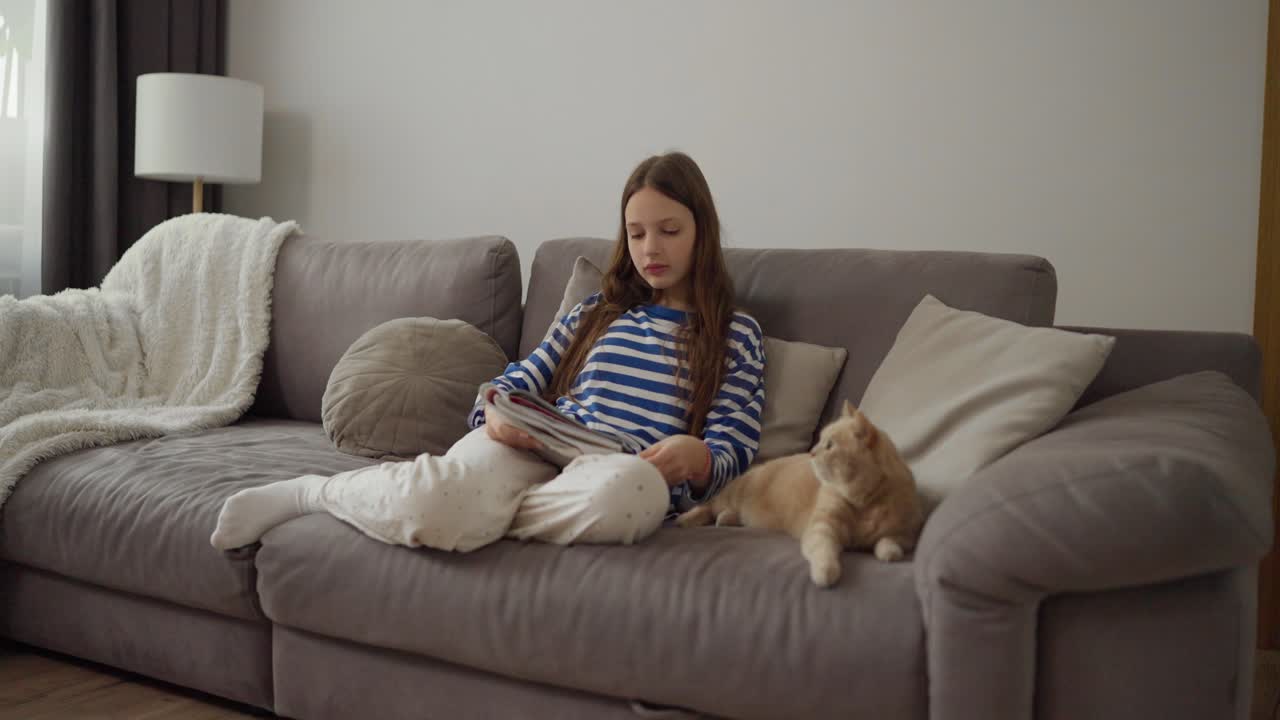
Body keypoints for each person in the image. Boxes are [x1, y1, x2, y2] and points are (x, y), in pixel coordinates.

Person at [210, 151, 766, 553]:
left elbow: (732, 444)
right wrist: (496, 414)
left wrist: (698, 457)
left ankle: (477, 515)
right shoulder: (599, 312)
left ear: (702, 231)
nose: (651, 249)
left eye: (669, 230)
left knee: (634, 494)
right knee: (443, 497)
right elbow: (519, 379)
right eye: (637, 232)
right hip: (535, 442)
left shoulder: (736, 335)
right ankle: (314, 494)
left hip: (618, 473)